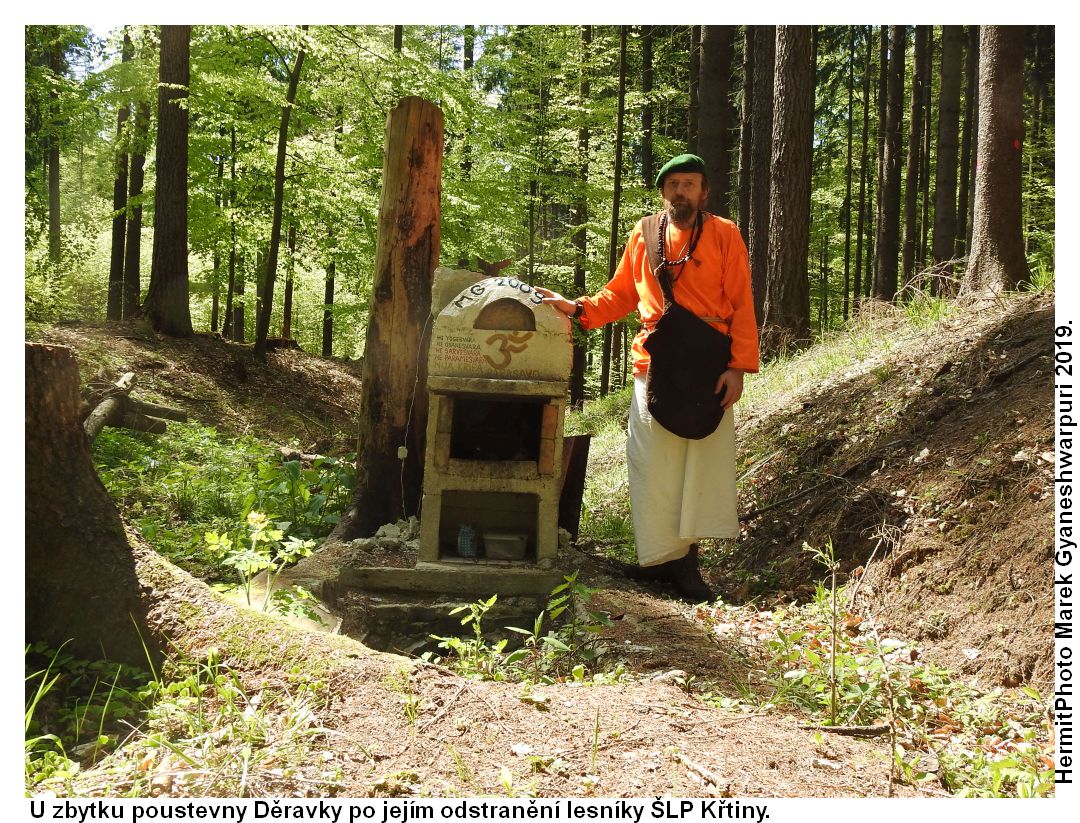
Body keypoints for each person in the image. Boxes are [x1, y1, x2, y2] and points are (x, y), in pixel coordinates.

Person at [537, 153, 759, 602]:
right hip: (654, 363)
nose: (682, 191)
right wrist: (578, 308)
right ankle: (659, 561)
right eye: (674, 183)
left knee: (699, 462)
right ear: (663, 191)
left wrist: (738, 367)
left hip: (709, 366)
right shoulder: (643, 235)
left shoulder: (725, 234)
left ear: (704, 191)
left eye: (690, 183)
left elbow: (740, 301)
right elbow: (620, 293)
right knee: (652, 464)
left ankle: (687, 566)